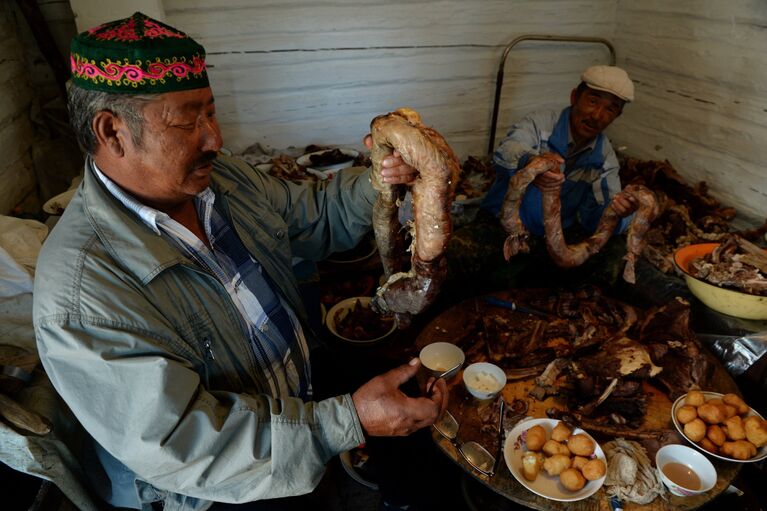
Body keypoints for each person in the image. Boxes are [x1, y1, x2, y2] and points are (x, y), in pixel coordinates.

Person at [33, 12, 447, 511]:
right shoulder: (81, 292)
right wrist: (348, 421)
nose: (215, 138)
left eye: (211, 112)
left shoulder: (222, 180)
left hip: (301, 416)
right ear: (112, 132)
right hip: (225, 492)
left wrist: (379, 181)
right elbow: (186, 446)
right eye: (188, 121)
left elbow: (312, 216)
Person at [447, 65, 639, 292]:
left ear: (617, 115)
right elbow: (505, 152)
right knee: (456, 254)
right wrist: (530, 162)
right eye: (593, 100)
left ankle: (565, 305)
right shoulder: (540, 125)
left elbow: (597, 217)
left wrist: (620, 213)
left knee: (613, 253)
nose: (597, 115)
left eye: (610, 109)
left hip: (554, 237)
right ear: (575, 96)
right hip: (501, 226)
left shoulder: (604, 157)